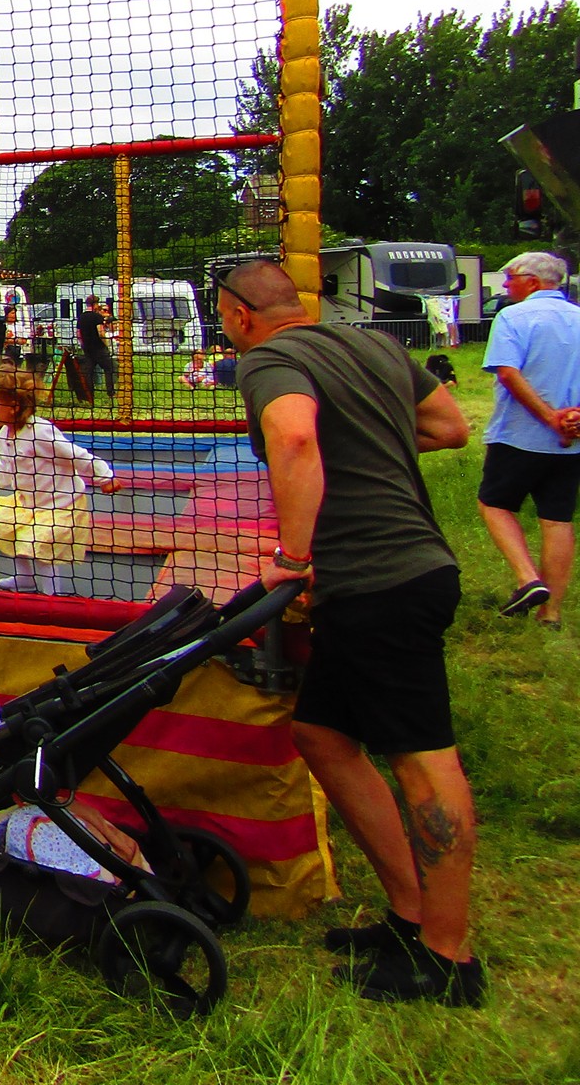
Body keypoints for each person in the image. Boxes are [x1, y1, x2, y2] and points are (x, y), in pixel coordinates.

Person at [216, 259, 482, 1007]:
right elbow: (449, 426)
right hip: (406, 570)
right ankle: (410, 911)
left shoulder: (269, 360)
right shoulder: (371, 346)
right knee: (324, 735)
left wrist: (293, 560)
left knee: (423, 759)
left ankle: (448, 958)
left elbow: (294, 440)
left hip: (377, 581)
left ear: (238, 316)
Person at [478, 250, 580, 626]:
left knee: (494, 504)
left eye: (511, 277)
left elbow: (508, 372)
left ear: (533, 282)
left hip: (519, 436)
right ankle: (550, 614)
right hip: (571, 442)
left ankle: (527, 578)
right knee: (557, 519)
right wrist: (571, 417)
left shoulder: (513, 317)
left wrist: (549, 417)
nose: (505, 285)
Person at [0, 365, 118, 596]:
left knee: (39, 544)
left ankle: (52, 594)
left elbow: (75, 454)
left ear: (14, 406)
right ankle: (25, 579)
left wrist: (104, 475)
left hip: (60, 503)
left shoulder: (39, 431)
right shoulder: (3, 436)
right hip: (29, 502)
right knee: (9, 529)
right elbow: (7, 469)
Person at [77, 296, 116, 398]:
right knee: (109, 368)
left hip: (88, 349)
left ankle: (90, 394)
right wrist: (106, 345)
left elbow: (78, 334)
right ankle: (110, 392)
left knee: (89, 372)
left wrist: (83, 345)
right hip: (98, 348)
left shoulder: (81, 317)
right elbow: (101, 333)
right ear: (95, 304)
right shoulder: (96, 317)